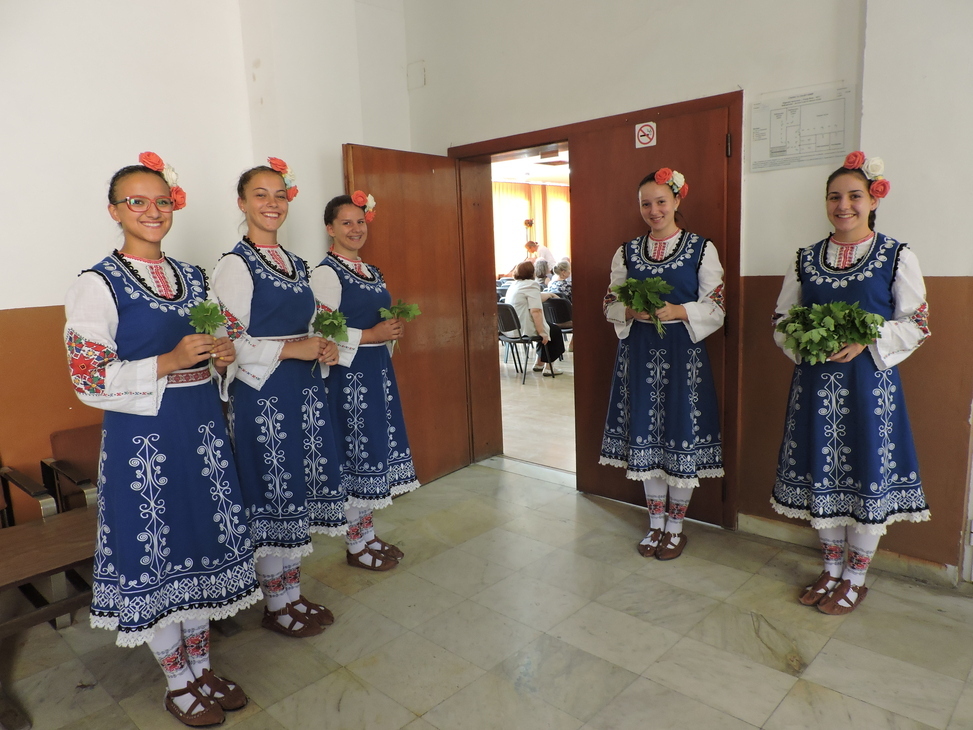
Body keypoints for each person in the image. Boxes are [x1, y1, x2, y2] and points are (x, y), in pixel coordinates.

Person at [65, 152, 258, 726]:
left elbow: (223, 339)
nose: (152, 211)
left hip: (201, 430)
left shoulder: (194, 277)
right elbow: (88, 376)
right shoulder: (97, 284)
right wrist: (169, 360)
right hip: (143, 441)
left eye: (162, 201)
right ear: (115, 211)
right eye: (137, 202)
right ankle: (178, 682)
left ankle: (202, 669)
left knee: (201, 545)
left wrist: (221, 352)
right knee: (159, 552)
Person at [771, 152, 930, 615]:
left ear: (873, 200)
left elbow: (917, 322)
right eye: (834, 197)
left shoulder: (896, 255)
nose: (843, 205)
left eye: (854, 196)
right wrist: (805, 341)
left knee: (865, 475)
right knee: (821, 474)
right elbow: (781, 319)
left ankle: (855, 578)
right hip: (815, 386)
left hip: (869, 388)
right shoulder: (805, 259)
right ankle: (831, 569)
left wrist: (867, 339)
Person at [211, 158, 342, 639]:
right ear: (242, 203)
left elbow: (310, 327)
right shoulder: (234, 265)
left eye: (279, 195)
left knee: (295, 493)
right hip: (262, 398)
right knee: (272, 494)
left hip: (302, 392)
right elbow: (227, 342)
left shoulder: (298, 265)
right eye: (260, 194)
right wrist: (292, 349)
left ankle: (292, 594)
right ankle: (276, 604)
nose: (272, 203)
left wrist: (323, 345)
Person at [600, 168, 725, 561]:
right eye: (646, 204)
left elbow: (717, 305)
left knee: (679, 435)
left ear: (677, 201)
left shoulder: (701, 248)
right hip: (638, 355)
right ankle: (655, 524)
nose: (653, 210)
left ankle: (675, 528)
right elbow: (609, 302)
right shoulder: (626, 251)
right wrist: (629, 310)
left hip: (682, 357)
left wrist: (679, 310)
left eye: (660, 202)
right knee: (646, 438)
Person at [310, 192, 420, 572]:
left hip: (375, 373)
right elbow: (321, 331)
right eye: (346, 222)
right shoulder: (326, 273)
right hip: (348, 380)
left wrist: (389, 330)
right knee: (355, 456)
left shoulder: (372, 271)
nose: (355, 229)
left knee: (372, 452)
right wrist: (373, 334)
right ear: (330, 228)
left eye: (360, 221)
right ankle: (356, 545)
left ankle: (368, 535)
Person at [504, 260, 565, 375]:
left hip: (511, 328)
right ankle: (549, 367)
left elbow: (532, 298)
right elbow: (535, 311)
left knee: (545, 327)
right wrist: (541, 332)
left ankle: (539, 363)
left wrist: (549, 294)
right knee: (553, 330)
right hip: (523, 329)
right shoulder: (531, 285)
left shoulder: (514, 285)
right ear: (532, 272)